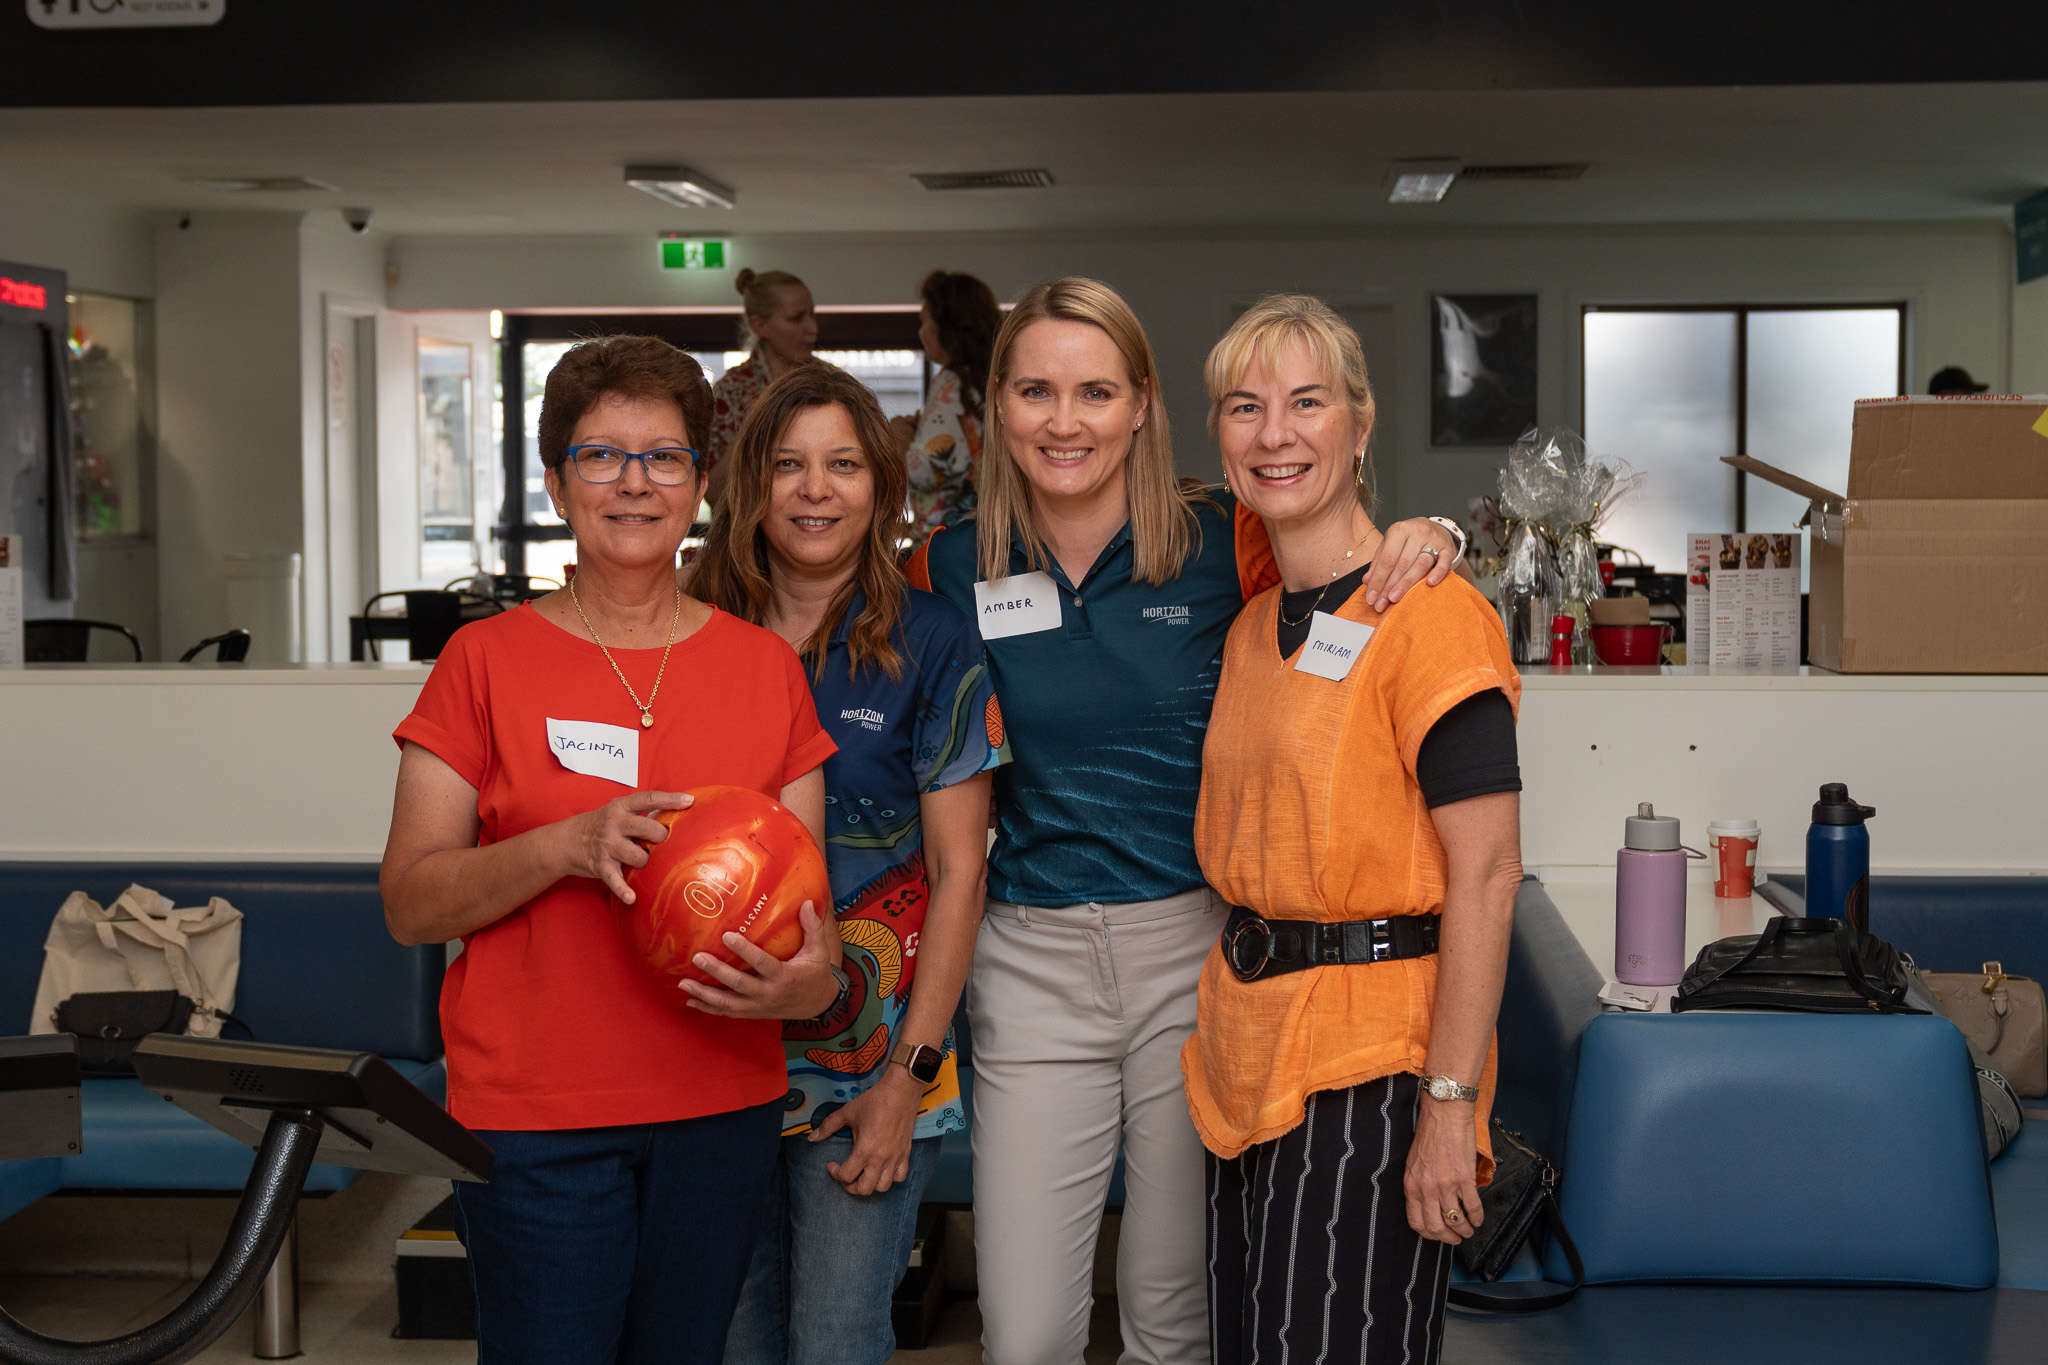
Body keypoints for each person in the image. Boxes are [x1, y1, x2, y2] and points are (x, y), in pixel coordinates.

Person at [907, 276, 1465, 1365]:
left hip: (1196, 960)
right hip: (1027, 964)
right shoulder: (947, 563)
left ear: (1141, 404)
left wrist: (1433, 530)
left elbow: (1346, 561)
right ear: (996, 408)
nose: (1064, 421)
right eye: (1034, 391)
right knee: (1022, 1336)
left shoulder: (1225, 537)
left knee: (1173, 1318)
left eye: (1094, 391)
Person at [380, 335, 846, 1365]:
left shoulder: (765, 668)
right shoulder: (482, 662)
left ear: (701, 484)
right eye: (600, 455)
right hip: (536, 1118)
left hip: (717, 1112)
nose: (633, 483)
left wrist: (803, 984)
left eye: (663, 456)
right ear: (555, 482)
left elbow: (814, 944)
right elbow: (411, 903)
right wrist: (566, 845)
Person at [1184, 295, 1524, 1363]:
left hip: (1375, 1069)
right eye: (1244, 408)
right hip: (1245, 1055)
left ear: (1360, 425)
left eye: (1305, 402)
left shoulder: (1432, 615)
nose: (1272, 433)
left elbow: (1488, 875)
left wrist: (1446, 1107)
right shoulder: (1249, 630)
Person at [688, 364, 1006, 1365]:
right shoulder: (691, 634)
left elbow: (960, 874)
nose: (815, 490)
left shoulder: (933, 642)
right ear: (750, 484)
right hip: (705, 1059)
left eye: (842, 465)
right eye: (788, 465)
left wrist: (907, 1081)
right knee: (730, 1338)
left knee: (834, 1338)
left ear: (881, 486)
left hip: (873, 1067)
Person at [891, 269, 1001, 537]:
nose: (921, 331)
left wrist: (898, 436)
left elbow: (925, 471)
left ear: (947, 326)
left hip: (947, 539)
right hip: (983, 531)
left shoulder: (952, 383)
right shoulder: (990, 381)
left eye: (925, 321)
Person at [708, 268, 822, 507]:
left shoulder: (831, 383)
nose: (812, 328)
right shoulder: (730, 392)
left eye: (812, 315)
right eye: (797, 318)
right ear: (760, 326)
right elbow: (713, 495)